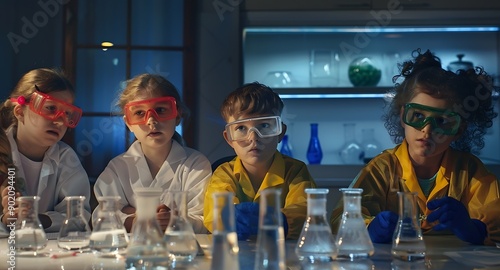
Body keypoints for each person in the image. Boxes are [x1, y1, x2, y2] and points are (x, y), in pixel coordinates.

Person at [330, 49, 500, 246]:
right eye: (418, 116)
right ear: (403, 116)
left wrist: (475, 229)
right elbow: (341, 219)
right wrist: (370, 228)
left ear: (459, 129)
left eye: (443, 121)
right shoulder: (382, 169)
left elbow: (495, 220)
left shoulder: (470, 171)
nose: (427, 130)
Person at [93, 73, 211, 233]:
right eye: (140, 113)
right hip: (133, 252)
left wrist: (171, 221)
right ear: (128, 122)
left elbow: (206, 220)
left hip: (180, 252)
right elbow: (101, 217)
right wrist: (141, 220)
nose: (151, 121)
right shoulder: (118, 167)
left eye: (161, 110)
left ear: (177, 116)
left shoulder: (196, 164)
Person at [203, 82, 317, 240]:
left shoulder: (295, 171)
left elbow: (307, 211)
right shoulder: (224, 172)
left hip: (281, 256)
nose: (253, 138)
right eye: (241, 128)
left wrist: (280, 220)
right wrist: (231, 218)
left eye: (264, 125)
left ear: (280, 133)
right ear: (229, 138)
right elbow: (214, 213)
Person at [0, 68, 91, 234]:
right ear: (20, 112)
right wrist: (6, 220)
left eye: (67, 114)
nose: (60, 121)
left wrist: (36, 218)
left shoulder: (66, 158)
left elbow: (80, 217)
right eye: (50, 108)